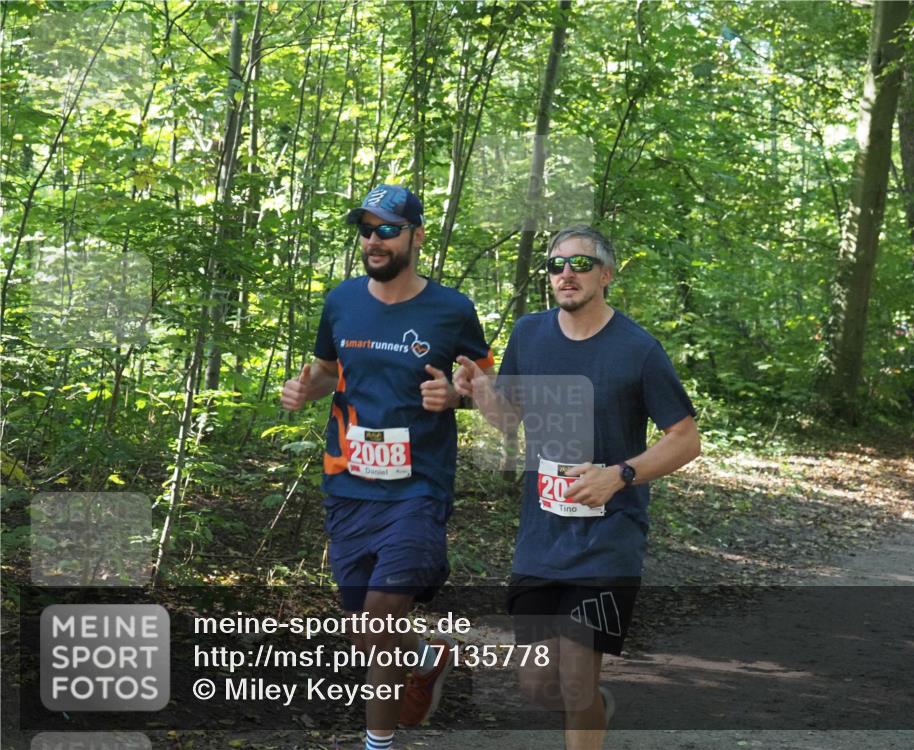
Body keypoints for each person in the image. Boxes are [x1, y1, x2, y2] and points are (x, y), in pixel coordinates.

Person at [455, 225, 700, 750]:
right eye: (556, 265)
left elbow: (686, 438)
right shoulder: (529, 333)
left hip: (608, 539)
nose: (566, 274)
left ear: (606, 275)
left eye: (581, 264)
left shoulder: (638, 349)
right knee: (536, 683)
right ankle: (592, 712)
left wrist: (621, 475)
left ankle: (585, 707)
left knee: (574, 678)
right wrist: (478, 392)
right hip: (541, 537)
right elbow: (508, 418)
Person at [281, 184, 494, 750]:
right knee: (366, 633)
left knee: (380, 615)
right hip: (348, 482)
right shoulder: (342, 300)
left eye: (387, 229)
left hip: (418, 486)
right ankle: (424, 659)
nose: (373, 241)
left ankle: (379, 744)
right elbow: (329, 370)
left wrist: (458, 396)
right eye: (367, 230)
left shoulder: (451, 310)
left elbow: (490, 388)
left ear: (416, 236)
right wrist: (306, 388)